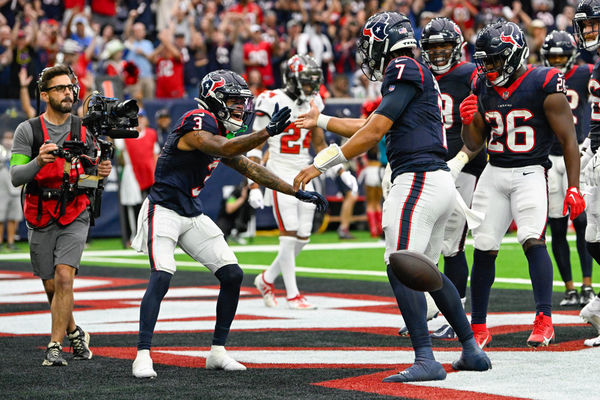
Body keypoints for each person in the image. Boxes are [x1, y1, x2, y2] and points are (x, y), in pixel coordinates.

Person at [294, 12, 491, 382]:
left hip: (418, 179)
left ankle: (425, 357)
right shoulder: (415, 71)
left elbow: (375, 131)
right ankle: (470, 348)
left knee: (399, 264)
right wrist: (322, 121)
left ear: (384, 42)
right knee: (424, 271)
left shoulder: (402, 66)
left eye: (370, 44)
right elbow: (373, 124)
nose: (368, 52)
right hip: (439, 181)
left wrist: (323, 163)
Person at [130, 69, 327, 378]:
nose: (239, 108)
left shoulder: (223, 131)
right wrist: (265, 134)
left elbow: (250, 167)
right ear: (214, 100)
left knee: (233, 274)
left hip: (190, 212)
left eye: (241, 102)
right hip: (163, 209)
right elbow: (220, 148)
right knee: (163, 275)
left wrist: (295, 191)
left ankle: (218, 352)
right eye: (233, 101)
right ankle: (142, 354)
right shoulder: (198, 119)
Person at [460, 20, 584, 348]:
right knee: (484, 247)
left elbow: (568, 139)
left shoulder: (543, 81)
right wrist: (468, 120)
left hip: (531, 171)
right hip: (494, 170)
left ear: (514, 55)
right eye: (485, 61)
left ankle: (544, 320)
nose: (489, 67)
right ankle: (479, 325)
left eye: (496, 60)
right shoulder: (482, 85)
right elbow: (473, 142)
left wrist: (573, 186)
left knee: (532, 239)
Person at [10, 64, 113, 366]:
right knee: (51, 285)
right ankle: (74, 331)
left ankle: (54, 346)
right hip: (40, 212)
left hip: (75, 210)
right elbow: (16, 176)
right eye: (60, 88)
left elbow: (91, 175)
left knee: (64, 276)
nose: (68, 93)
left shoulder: (83, 128)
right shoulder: (27, 130)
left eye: (70, 88)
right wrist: (39, 162)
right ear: (44, 95)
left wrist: (101, 172)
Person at [251, 54, 355, 309]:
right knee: (289, 235)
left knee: (304, 237)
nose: (310, 87)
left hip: (304, 170)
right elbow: (255, 143)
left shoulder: (314, 100)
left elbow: (319, 143)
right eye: (305, 82)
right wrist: (253, 184)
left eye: (313, 82)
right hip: (278, 172)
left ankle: (266, 279)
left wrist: (340, 171)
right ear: (292, 79)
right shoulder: (271, 99)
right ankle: (293, 295)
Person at [418, 17, 487, 339]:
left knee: (452, 243)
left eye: (445, 45)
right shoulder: (419, 76)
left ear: (457, 46)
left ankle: (454, 311)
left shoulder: (470, 74)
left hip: (463, 164)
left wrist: (463, 158)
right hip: (430, 163)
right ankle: (430, 310)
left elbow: (485, 121)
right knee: (427, 243)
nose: (440, 52)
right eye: (433, 47)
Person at [540, 30, 594, 306]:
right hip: (549, 158)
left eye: (562, 55)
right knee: (557, 227)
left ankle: (587, 285)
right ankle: (569, 287)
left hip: (577, 153)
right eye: (553, 56)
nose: (558, 61)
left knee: (582, 222)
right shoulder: (541, 77)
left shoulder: (584, 74)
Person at [574, 0, 600, 347]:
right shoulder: (594, 63)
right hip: (594, 149)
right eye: (587, 26)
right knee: (591, 231)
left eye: (594, 24)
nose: (589, 32)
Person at [0, 131, 22, 251]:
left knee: (14, 217)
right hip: (1, 190)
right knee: (0, 218)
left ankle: (11, 242)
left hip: (15, 190)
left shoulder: (18, 152)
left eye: (10, 138)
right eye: (6, 138)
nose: (8, 140)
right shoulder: (1, 151)